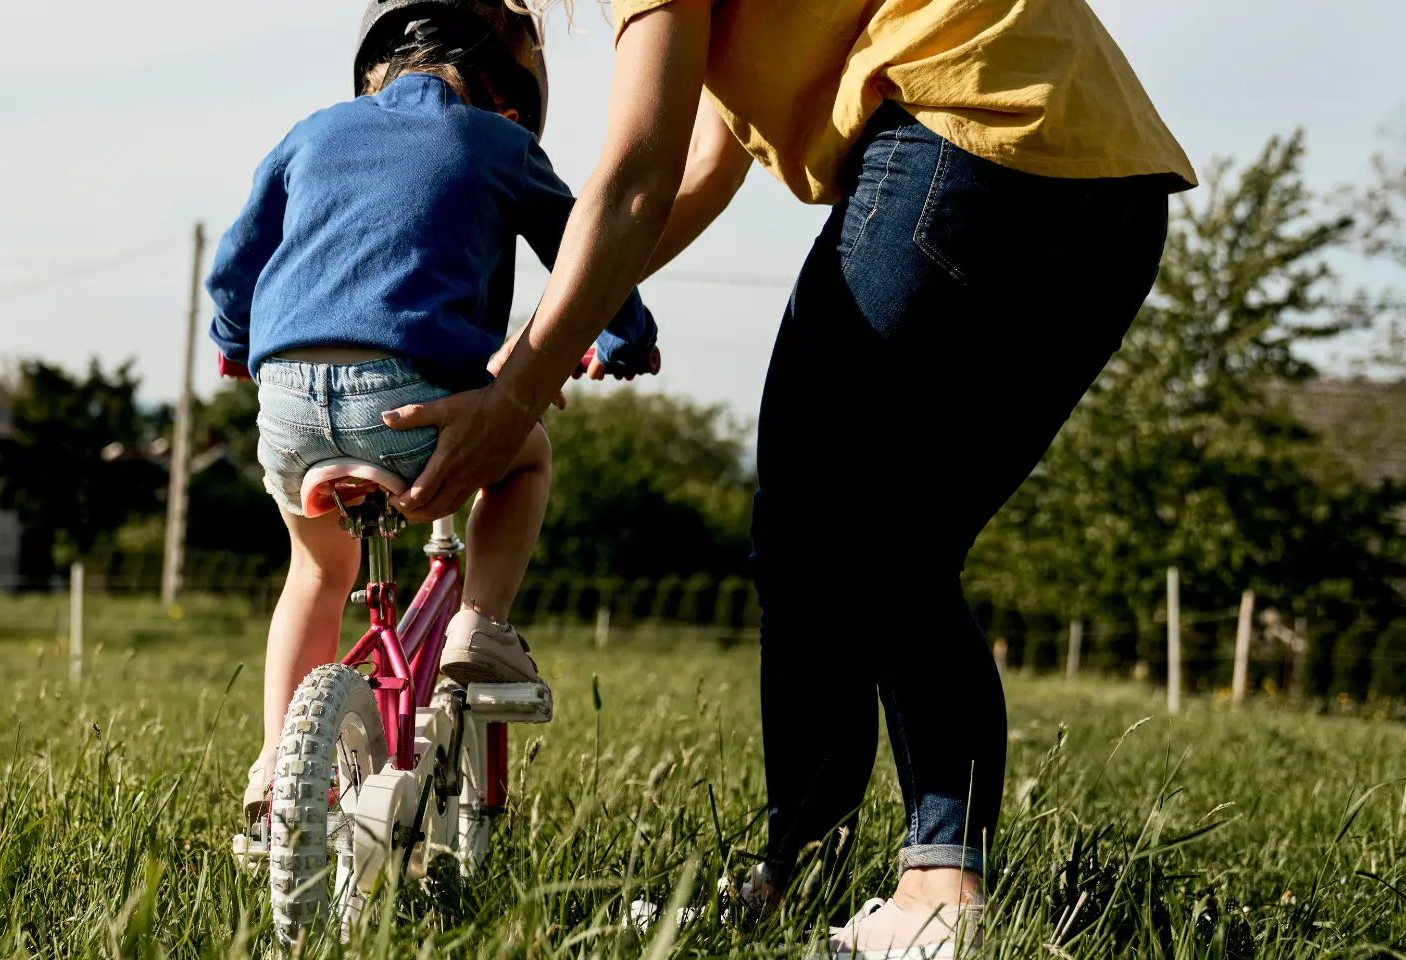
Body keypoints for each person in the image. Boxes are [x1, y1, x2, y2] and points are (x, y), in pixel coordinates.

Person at [379, 0, 1194, 954]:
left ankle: (938, 893)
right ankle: (810, 875)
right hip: (1111, 190)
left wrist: (512, 399)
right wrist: (537, 346)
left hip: (964, 130)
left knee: (841, 523)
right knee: (890, 542)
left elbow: (634, 177)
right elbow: (693, 178)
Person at [204, 0, 660, 836]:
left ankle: (276, 761)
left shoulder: (312, 131)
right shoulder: (501, 142)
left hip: (288, 410)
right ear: (505, 90)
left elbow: (236, 267)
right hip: (405, 404)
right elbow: (584, 249)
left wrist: (234, 343)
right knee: (526, 456)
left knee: (314, 574)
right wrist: (622, 334)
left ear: (376, 70)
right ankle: (480, 630)